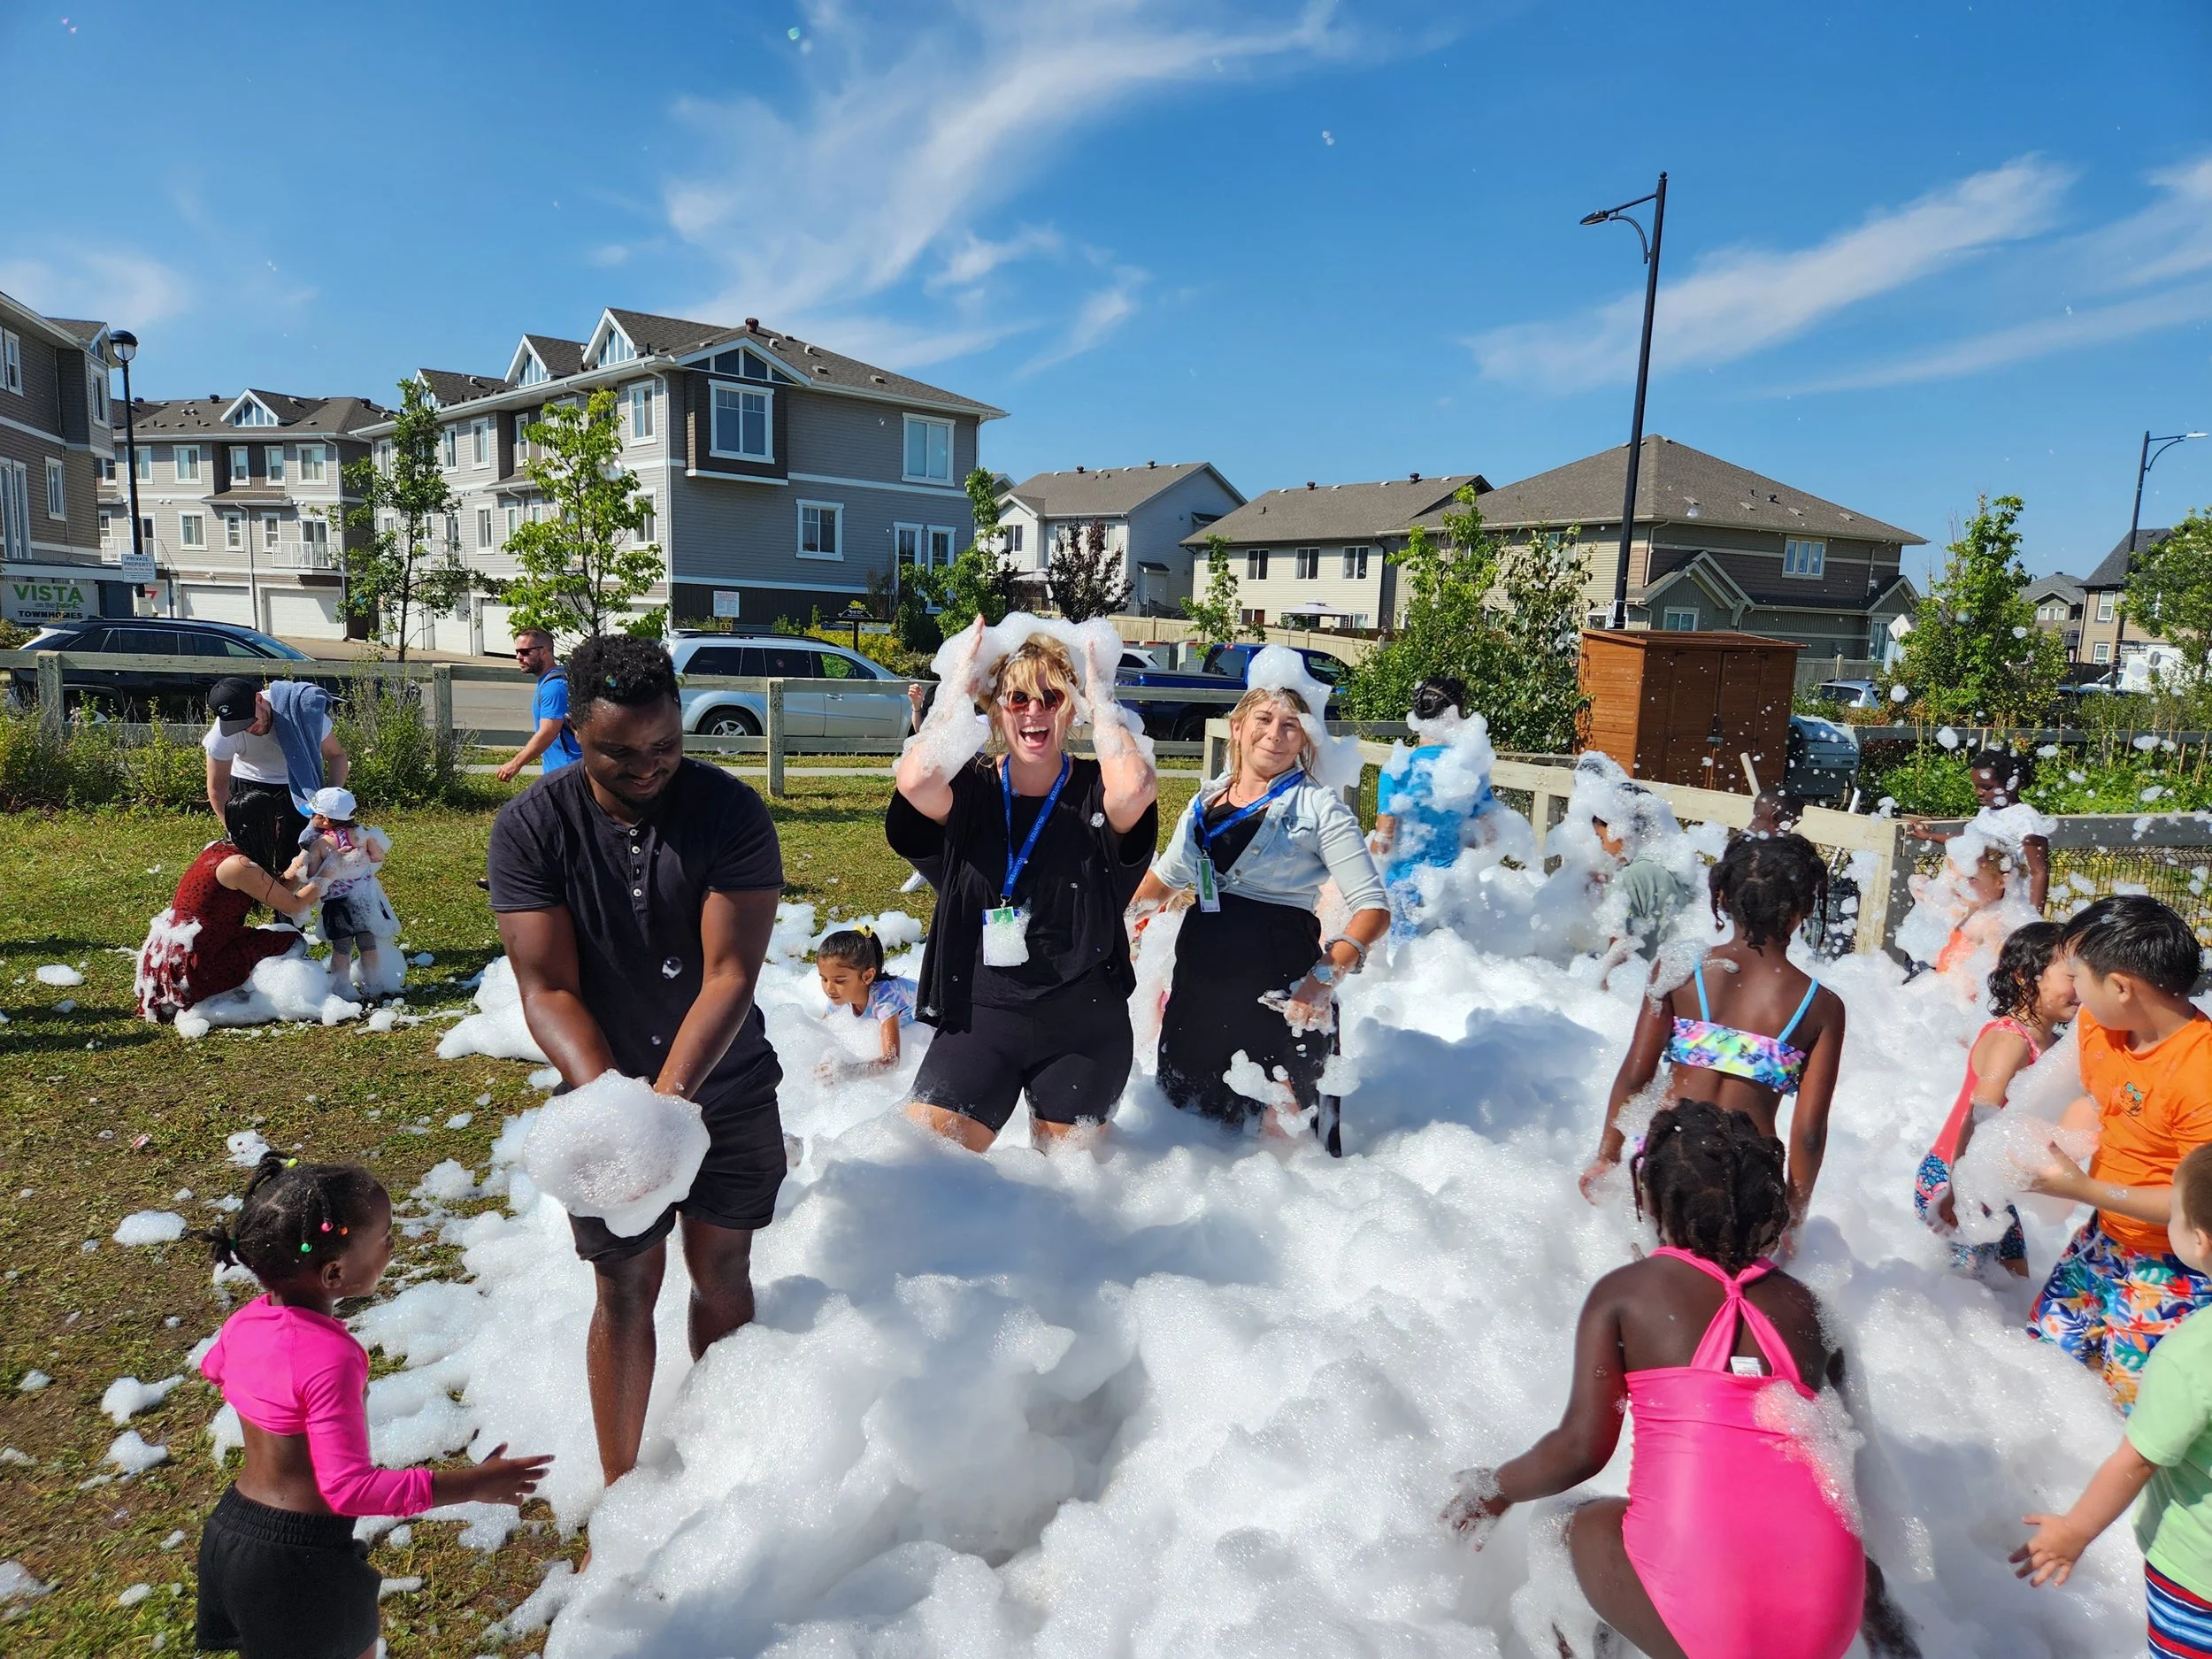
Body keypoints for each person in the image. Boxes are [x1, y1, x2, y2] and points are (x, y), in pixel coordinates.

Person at [1446, 1102, 1919, 1659]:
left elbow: (1579, 1451)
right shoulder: (1811, 1308)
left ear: (1649, 1200)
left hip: (1711, 1629)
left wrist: (1494, 1491)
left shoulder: (1628, 1293)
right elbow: (1851, 1472)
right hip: (1827, 1621)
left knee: (1561, 1526)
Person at [487, 633, 787, 1486]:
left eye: (666, 746)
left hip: (727, 1087)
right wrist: (620, 1110)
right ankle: (621, 1497)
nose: (649, 767)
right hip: (602, 1100)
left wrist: (669, 1104)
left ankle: (723, 1475)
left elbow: (731, 971)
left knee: (723, 1270)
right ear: (574, 732)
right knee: (624, 1291)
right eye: (620, 752)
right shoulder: (532, 830)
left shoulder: (730, 813)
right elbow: (545, 987)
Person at [192, 1154, 549, 1659]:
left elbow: (217, 1368)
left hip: (232, 1535)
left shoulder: (247, 1321)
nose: (391, 1245)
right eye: (384, 1237)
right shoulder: (333, 1357)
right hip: (302, 1555)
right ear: (334, 1272)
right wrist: (475, 1483)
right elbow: (348, 1489)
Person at [888, 620, 1158, 1151]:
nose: (1033, 711)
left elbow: (1137, 785)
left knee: (1067, 1193)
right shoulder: (970, 793)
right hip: (981, 1016)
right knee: (924, 1170)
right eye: (1016, 699)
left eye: (1050, 697)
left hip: (1082, 1022)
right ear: (996, 710)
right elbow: (916, 780)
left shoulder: (1095, 794)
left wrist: (1101, 696)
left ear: (1069, 708)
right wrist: (958, 689)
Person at [1133, 683, 1390, 1144]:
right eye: (1264, 720)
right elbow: (1165, 881)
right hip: (1199, 992)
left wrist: (1320, 983)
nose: (1275, 734)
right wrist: (1117, 922)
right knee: (1183, 1140)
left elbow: (1372, 909)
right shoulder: (1204, 803)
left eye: (1290, 725)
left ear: (1305, 739)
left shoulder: (1320, 808)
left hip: (1281, 998)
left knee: (1283, 1157)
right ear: (1237, 728)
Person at [2014, 1142, 2212, 1654]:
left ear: (2200, 1241)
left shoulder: (2189, 1354)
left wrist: (2074, 1531)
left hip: (2196, 1578)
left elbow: (2136, 1462)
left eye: (2174, 1209)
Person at [1585, 833, 1845, 1222]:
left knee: (1656, 1268)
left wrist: (1607, 1155)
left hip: (1668, 1157)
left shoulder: (1679, 970)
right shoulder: (1820, 1006)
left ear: (1722, 897)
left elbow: (1637, 1074)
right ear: (1804, 908)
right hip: (1747, 1175)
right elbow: (1809, 1132)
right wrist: (1795, 1211)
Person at [2026, 895, 2212, 1409]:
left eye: (2077, 976)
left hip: (2178, 1260)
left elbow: (2198, 1206)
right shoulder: (2100, 1028)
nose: (2072, 990)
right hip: (2105, 1234)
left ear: (2121, 987)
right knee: (2044, 1354)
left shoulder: (2201, 1076)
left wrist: (2082, 1187)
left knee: (2138, 1400)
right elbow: (2097, 1100)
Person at [1915, 921, 2076, 1277]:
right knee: (1965, 1290)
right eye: (2071, 976)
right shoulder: (2011, 1039)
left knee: (2012, 1281)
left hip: (1989, 1182)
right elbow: (1980, 1113)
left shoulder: (2054, 1046)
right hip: (1954, 1177)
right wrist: (1958, 1191)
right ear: (2024, 976)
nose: (2081, 989)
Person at [1369, 676, 1510, 937]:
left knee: (1404, 966)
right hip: (1454, 885)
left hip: (1404, 886)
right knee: (1451, 963)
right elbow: (1489, 837)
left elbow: (1383, 844)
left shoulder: (1396, 770)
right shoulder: (1471, 772)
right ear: (1457, 716)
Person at [134, 839, 321, 1021]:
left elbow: (277, 889)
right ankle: (238, 996)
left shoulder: (220, 849)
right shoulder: (238, 865)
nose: (280, 828)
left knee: (276, 939)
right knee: (291, 942)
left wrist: (306, 855)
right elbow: (295, 906)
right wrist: (331, 871)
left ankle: (227, 993)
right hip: (195, 968)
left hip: (169, 964)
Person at [204, 675, 349, 865]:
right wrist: (234, 831)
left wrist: (328, 803)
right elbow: (217, 788)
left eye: (250, 720)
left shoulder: (303, 713)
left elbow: (337, 756)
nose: (248, 729)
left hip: (298, 786)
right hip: (249, 785)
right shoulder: (223, 734)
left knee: (300, 859)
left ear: (259, 699)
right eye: (240, 725)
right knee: (253, 861)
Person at [1904, 748, 2051, 910]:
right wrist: (1929, 835)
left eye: (1986, 787)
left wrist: (2033, 920)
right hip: (1984, 902)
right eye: (1976, 786)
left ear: (2012, 784)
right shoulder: (1986, 813)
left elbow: (2039, 872)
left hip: (2012, 906)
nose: (1978, 793)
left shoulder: (2026, 818)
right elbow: (1963, 841)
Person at [287, 786, 397, 993]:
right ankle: (374, 985)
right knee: (368, 945)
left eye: (315, 815)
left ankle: (341, 987)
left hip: (337, 904)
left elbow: (313, 875)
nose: (312, 818)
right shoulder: (363, 836)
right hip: (364, 899)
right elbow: (377, 856)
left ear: (326, 821)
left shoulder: (321, 843)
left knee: (342, 948)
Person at [1594, 788, 1697, 961]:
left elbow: (1617, 953)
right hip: (1673, 975)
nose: (1603, 848)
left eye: (1601, 838)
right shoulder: (1680, 867)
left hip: (1637, 980)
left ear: (1617, 829)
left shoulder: (1631, 877)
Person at [814, 925, 917, 1078]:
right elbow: (820, 1032)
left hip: (935, 1014)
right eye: (824, 979)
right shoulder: (838, 996)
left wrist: (846, 1072)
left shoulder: (885, 999)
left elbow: (892, 1061)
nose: (829, 988)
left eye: (839, 981)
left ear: (867, 977)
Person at [496, 627, 582, 782]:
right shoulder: (551, 680)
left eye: (525, 652)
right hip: (562, 773)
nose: (518, 657)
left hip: (568, 774)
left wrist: (515, 764)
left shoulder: (554, 687)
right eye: (517, 651)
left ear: (545, 651)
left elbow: (548, 732)